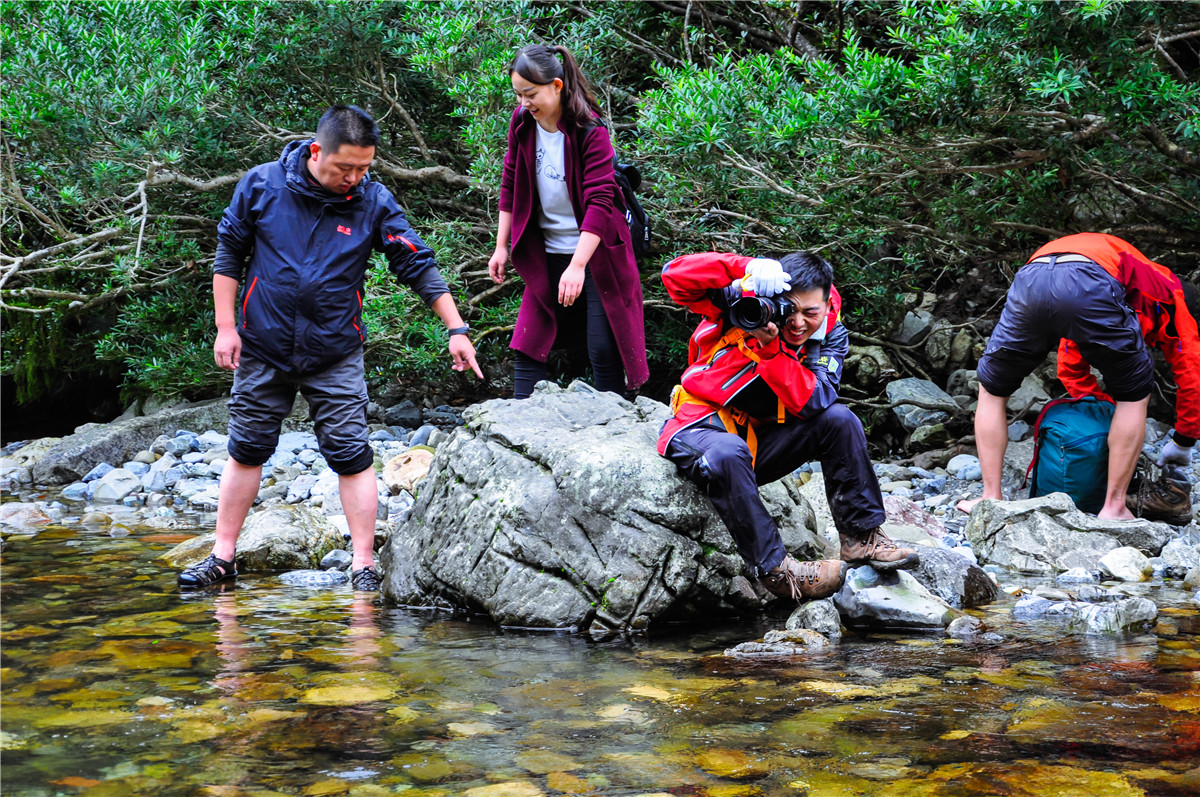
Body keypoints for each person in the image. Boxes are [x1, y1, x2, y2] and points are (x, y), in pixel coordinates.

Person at [178, 105, 482, 592]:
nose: (355, 178)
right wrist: (224, 326)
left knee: (351, 453)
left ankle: (364, 564)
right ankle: (223, 556)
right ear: (317, 151)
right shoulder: (262, 185)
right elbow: (229, 252)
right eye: (346, 168)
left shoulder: (373, 201)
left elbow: (416, 263)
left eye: (365, 168)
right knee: (247, 449)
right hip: (262, 346)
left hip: (335, 352)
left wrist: (456, 329)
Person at [657, 251, 919, 602]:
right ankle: (777, 571)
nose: (797, 323)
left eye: (810, 312)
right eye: (789, 310)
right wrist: (745, 268)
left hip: (757, 446)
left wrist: (770, 352)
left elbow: (815, 399)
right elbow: (674, 275)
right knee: (729, 451)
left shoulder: (830, 334)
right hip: (700, 429)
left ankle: (861, 538)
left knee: (840, 420)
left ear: (827, 305)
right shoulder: (743, 304)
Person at [957, 232, 1199, 518]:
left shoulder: (1137, 278)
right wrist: (1184, 440)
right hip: (1089, 276)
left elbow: (1070, 361)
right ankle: (1114, 507)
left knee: (993, 390)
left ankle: (990, 498)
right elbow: (1192, 372)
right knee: (1134, 397)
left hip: (1032, 277)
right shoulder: (1175, 295)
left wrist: (1097, 406)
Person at [488, 44, 648, 399]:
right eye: (518, 95)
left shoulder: (589, 130)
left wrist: (577, 265)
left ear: (557, 86)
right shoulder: (522, 123)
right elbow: (510, 181)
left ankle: (615, 435)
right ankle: (519, 427)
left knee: (604, 351)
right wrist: (501, 247)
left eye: (530, 94)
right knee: (528, 343)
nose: (524, 103)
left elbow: (600, 201)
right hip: (547, 249)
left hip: (596, 253)